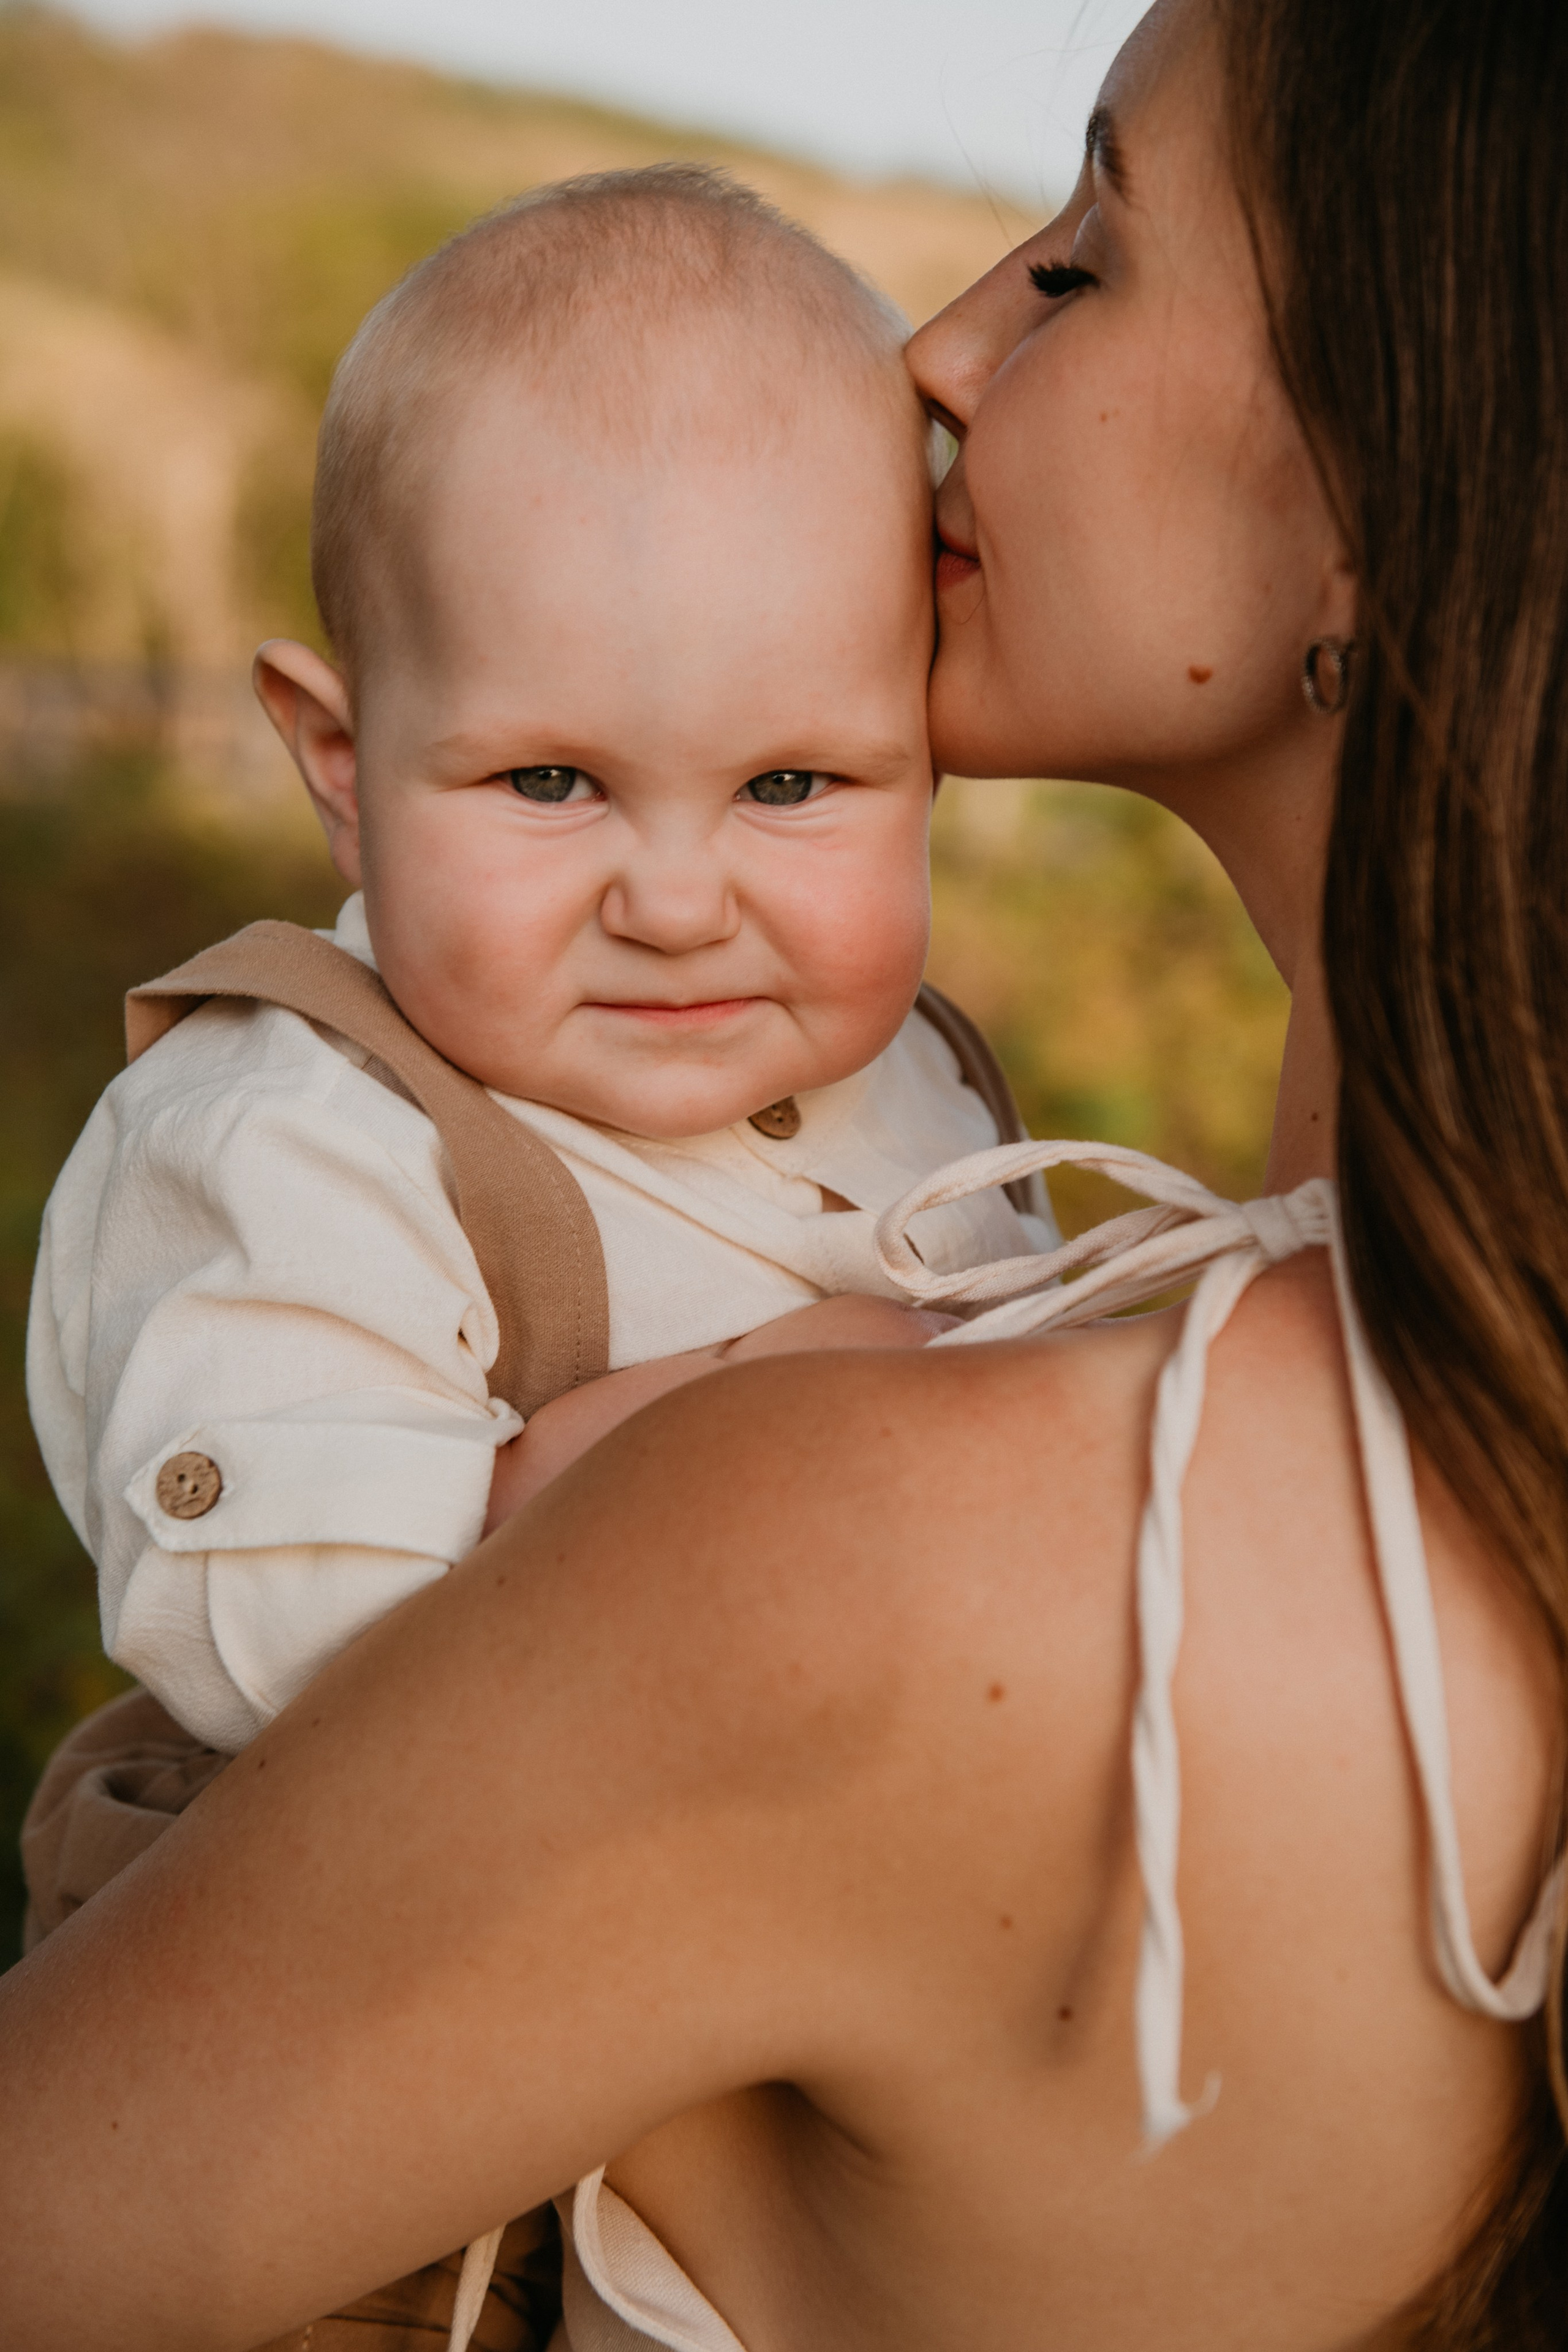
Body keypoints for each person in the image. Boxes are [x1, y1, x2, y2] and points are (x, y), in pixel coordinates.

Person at [2, 0, 1564, 2346]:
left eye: (1088, 255)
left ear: (1387, 471)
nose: (938, 348)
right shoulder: (1448, 1461)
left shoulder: (848, 1546)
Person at [26, 165, 1047, 1772]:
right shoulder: (291, 1136)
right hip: (372, 1965)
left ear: (934, 765)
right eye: (551, 783)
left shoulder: (924, 1072)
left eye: (789, 787)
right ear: (344, 766)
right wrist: (736, 1421)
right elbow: (277, 1644)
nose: (675, 902)